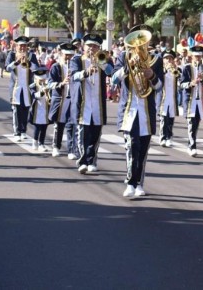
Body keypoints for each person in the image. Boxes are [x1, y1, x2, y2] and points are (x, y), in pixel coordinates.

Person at [113, 25, 163, 197]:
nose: (140, 45)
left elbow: (159, 86)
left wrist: (151, 76)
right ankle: (130, 182)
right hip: (129, 111)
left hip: (147, 112)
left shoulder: (156, 59)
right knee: (131, 146)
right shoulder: (123, 56)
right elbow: (113, 79)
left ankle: (139, 183)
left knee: (142, 150)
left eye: (143, 41)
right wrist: (127, 68)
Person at [70, 34, 114, 174]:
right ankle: (83, 161)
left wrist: (101, 62)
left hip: (97, 102)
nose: (92, 49)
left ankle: (92, 160)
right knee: (83, 133)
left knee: (95, 133)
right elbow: (74, 76)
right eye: (89, 46)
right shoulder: (76, 59)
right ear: (84, 46)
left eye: (95, 46)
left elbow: (111, 72)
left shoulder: (104, 59)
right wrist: (86, 72)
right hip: (83, 102)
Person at [179, 45, 203, 157]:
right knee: (191, 123)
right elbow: (181, 84)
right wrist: (190, 83)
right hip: (190, 100)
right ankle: (192, 146)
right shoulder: (186, 68)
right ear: (192, 56)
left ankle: (191, 143)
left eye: (199, 56)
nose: (197, 58)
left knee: (196, 124)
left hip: (200, 101)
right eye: (195, 56)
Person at [6, 36, 40, 141]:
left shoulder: (31, 56)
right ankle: (17, 132)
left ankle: (23, 130)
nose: (22, 48)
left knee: (25, 109)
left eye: (24, 46)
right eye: (20, 46)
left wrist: (28, 63)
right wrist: (17, 62)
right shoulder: (11, 55)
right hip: (16, 87)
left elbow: (36, 69)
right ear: (16, 46)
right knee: (16, 110)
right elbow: (7, 68)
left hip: (27, 87)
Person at [48, 43, 77, 158]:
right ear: (61, 54)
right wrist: (61, 83)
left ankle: (71, 150)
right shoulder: (56, 67)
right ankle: (56, 146)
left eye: (70, 55)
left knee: (71, 125)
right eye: (66, 55)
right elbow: (49, 83)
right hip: (60, 99)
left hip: (72, 100)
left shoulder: (75, 67)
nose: (68, 58)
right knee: (59, 125)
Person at [158, 50, 180, 147]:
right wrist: (166, 70)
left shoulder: (177, 69)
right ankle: (162, 137)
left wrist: (174, 69)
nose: (169, 60)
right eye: (166, 58)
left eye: (170, 58)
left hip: (172, 98)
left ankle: (169, 137)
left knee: (171, 118)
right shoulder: (160, 70)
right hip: (164, 97)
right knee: (164, 118)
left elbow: (180, 77)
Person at [29, 67, 51, 152]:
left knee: (44, 127)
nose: (42, 81)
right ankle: (35, 141)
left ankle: (42, 143)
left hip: (46, 109)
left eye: (43, 80)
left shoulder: (48, 86)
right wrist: (42, 91)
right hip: (37, 109)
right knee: (37, 127)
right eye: (40, 80)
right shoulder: (32, 86)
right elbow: (35, 96)